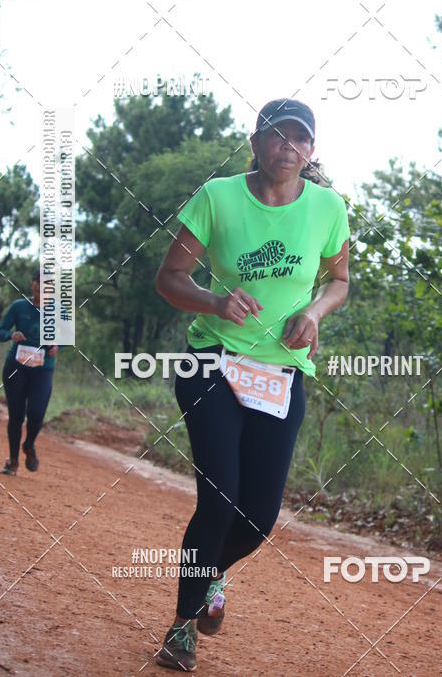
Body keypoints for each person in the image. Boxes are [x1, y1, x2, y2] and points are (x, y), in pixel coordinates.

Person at [154, 98, 350, 671]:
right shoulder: (217, 197)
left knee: (259, 516)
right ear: (256, 142)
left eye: (299, 139)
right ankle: (182, 628)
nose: (288, 148)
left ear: (311, 150)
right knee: (218, 499)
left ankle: (209, 575)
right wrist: (216, 301)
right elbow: (169, 277)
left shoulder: (328, 207)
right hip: (212, 362)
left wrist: (314, 311)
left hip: (281, 372)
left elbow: (338, 281)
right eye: (277, 136)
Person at [0, 268, 60, 475]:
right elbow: (0, 331)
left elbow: (67, 338)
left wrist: (57, 346)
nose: (42, 287)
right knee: (16, 415)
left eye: (48, 284)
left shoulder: (59, 310)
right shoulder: (19, 306)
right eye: (39, 282)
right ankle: (13, 461)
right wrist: (11, 335)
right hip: (16, 367)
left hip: (43, 369)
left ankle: (29, 444)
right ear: (32, 284)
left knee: (36, 413)